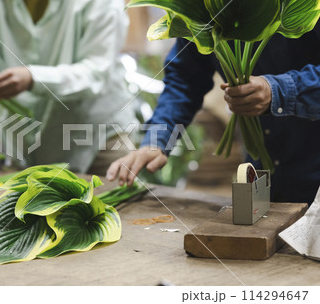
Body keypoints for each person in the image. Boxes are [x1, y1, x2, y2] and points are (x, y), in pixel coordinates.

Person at [107, 23, 320, 205]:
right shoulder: (204, 0)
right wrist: (157, 140)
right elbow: (185, 77)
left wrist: (279, 91)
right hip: (264, 169)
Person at [0, 0, 137, 175]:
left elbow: (96, 72)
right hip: (24, 140)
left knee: (113, 203)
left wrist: (33, 78)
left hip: (96, 139)